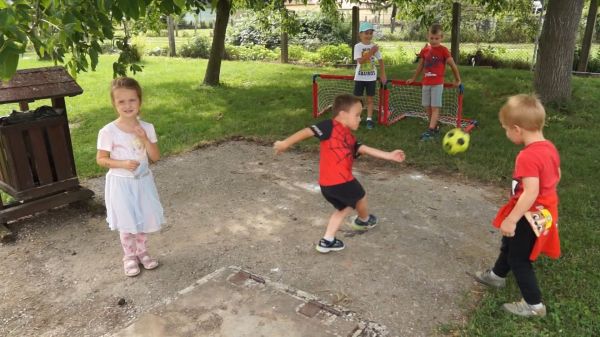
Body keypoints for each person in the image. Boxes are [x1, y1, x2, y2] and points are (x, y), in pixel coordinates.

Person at [273, 94, 405, 253]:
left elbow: (362, 149)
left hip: (327, 184)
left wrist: (389, 155)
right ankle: (363, 221)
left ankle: (328, 240)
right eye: (357, 115)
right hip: (343, 182)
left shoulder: (349, 136)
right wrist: (285, 143)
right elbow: (307, 131)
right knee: (358, 198)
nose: (359, 119)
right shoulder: (329, 126)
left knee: (345, 207)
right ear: (342, 114)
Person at [474, 94, 561, 317]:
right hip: (545, 210)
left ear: (517, 129)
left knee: (519, 258)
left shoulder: (527, 156)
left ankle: (534, 305)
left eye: (505, 129)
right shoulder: (549, 147)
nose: (506, 133)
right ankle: (497, 275)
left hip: (528, 214)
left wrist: (512, 218)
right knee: (510, 245)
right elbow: (557, 175)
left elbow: (530, 192)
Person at [96, 77, 165, 277]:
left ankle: (142, 253)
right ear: (114, 104)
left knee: (142, 218)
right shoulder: (108, 131)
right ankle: (129, 257)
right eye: (121, 102)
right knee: (127, 222)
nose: (127, 105)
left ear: (139, 101)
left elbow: (155, 157)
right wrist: (122, 164)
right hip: (121, 183)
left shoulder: (147, 127)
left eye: (132, 100)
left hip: (143, 182)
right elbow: (101, 159)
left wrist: (144, 138)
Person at [407, 23, 461, 141]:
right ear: (428, 36)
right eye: (432, 38)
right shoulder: (425, 50)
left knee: (435, 107)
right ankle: (434, 126)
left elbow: (452, 65)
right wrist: (414, 78)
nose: (434, 40)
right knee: (427, 106)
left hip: (437, 84)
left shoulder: (444, 50)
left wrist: (458, 79)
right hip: (426, 83)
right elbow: (420, 66)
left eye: (437, 38)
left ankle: (430, 130)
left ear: (441, 38)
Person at [353, 21, 386, 130]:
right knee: (357, 99)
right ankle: (356, 117)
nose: (368, 35)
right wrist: (371, 51)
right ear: (360, 34)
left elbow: (381, 60)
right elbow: (361, 61)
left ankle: (369, 119)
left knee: (370, 99)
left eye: (370, 33)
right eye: (366, 33)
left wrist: (382, 74)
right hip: (359, 77)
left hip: (371, 77)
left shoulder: (374, 47)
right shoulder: (358, 47)